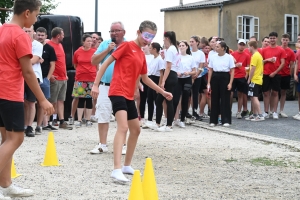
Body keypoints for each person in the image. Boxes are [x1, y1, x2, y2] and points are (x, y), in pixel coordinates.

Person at [91, 20, 172, 183]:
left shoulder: (141, 54)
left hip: (128, 95)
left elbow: (145, 78)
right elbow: (105, 63)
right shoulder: (126, 46)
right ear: (139, 32)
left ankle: (127, 166)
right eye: (146, 35)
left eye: (152, 37)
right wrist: (95, 85)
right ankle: (116, 169)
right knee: (123, 127)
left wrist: (162, 91)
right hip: (117, 91)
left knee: (136, 130)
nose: (148, 39)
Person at [0, 0, 54, 198]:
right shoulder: (20, 35)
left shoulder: (3, 29)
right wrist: (43, 100)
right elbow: (28, 72)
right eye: (36, 14)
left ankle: (6, 185)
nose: (36, 19)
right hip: (9, 93)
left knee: (6, 139)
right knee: (16, 138)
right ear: (27, 13)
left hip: (1, 92)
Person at [90, 21, 127, 155]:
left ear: (123, 32)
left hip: (122, 86)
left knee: (122, 116)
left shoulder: (128, 45)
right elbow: (94, 61)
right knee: (103, 114)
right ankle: (102, 144)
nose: (114, 33)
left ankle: (123, 144)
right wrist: (107, 50)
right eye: (111, 31)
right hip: (105, 86)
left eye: (117, 30)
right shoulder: (105, 44)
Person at [150, 31, 179, 132]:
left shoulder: (171, 49)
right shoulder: (173, 49)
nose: (163, 40)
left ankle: (169, 125)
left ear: (167, 38)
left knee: (168, 100)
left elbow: (168, 66)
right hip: (172, 75)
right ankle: (158, 123)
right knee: (159, 100)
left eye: (164, 38)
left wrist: (163, 81)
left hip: (170, 75)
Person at [47, 27, 73, 129]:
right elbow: (46, 62)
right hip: (55, 78)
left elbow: (62, 61)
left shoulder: (60, 45)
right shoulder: (49, 45)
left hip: (63, 77)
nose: (63, 36)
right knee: (52, 100)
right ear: (58, 36)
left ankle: (61, 121)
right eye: (62, 34)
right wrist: (50, 75)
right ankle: (49, 121)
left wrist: (65, 73)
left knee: (61, 100)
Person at [207, 41, 235, 127]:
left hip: (225, 76)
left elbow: (232, 70)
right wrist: (208, 82)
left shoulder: (229, 57)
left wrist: (230, 83)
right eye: (216, 46)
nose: (216, 48)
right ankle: (213, 120)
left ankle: (225, 120)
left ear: (223, 48)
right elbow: (210, 69)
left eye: (218, 46)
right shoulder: (213, 57)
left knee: (225, 99)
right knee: (214, 98)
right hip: (215, 76)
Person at [72, 34, 97, 127]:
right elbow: (75, 64)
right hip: (80, 78)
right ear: (83, 42)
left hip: (91, 78)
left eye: (91, 41)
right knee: (81, 99)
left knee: (89, 99)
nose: (90, 43)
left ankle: (88, 119)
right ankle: (79, 119)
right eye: (88, 41)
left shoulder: (94, 52)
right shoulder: (77, 52)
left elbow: (97, 65)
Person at [35, 27, 57, 132]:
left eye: (42, 35)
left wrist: (48, 78)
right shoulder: (32, 46)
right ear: (35, 35)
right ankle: (27, 125)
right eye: (38, 35)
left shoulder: (50, 48)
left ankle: (40, 125)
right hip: (33, 78)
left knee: (42, 103)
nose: (40, 37)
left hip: (43, 78)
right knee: (28, 103)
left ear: (46, 36)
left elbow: (52, 65)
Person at [23, 25, 43, 137]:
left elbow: (34, 60)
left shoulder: (37, 45)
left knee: (31, 102)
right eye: (24, 31)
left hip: (34, 75)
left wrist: (20, 62)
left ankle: (29, 126)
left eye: (29, 31)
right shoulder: (18, 43)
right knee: (20, 101)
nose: (26, 33)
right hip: (19, 75)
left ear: (33, 32)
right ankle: (22, 125)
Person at [261, 32, 286, 119]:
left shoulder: (281, 50)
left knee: (275, 92)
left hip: (276, 74)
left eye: (273, 38)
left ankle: (275, 111)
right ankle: (266, 111)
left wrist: (275, 72)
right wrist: (267, 60)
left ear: (276, 39)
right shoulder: (264, 50)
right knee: (266, 93)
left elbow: (283, 63)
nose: (272, 40)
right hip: (266, 73)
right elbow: (261, 62)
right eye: (270, 38)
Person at [173, 40, 196, 127]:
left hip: (187, 79)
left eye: (183, 45)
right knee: (175, 99)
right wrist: (176, 72)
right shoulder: (176, 57)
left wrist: (188, 73)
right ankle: (173, 119)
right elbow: (172, 68)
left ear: (187, 47)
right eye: (180, 45)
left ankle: (182, 119)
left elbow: (194, 71)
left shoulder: (190, 58)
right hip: (178, 79)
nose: (181, 47)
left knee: (185, 99)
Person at [144, 42, 164, 128]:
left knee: (157, 102)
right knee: (149, 100)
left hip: (156, 80)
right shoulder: (153, 58)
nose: (149, 49)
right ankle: (149, 120)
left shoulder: (159, 59)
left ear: (155, 49)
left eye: (151, 48)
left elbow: (161, 74)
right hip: (151, 79)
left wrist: (159, 86)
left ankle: (158, 122)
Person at [231, 39, 250, 119]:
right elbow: (229, 65)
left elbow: (249, 66)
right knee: (230, 94)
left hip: (242, 76)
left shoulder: (247, 55)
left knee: (240, 94)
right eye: (240, 44)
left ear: (244, 46)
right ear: (237, 45)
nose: (241, 46)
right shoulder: (232, 54)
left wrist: (246, 75)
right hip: (233, 76)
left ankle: (239, 111)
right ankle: (229, 110)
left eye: (243, 45)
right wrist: (236, 65)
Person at [246, 41, 265, 121]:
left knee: (254, 97)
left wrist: (249, 79)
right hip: (258, 78)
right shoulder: (258, 55)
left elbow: (253, 68)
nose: (248, 48)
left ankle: (260, 115)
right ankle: (254, 114)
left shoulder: (255, 56)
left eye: (249, 47)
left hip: (255, 79)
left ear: (252, 47)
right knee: (252, 96)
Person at [278, 34, 295, 117]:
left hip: (285, 74)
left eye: (286, 40)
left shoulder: (291, 52)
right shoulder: (277, 49)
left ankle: (281, 110)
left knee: (283, 92)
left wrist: (290, 74)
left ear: (288, 41)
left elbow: (292, 65)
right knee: (274, 92)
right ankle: (272, 110)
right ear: (281, 40)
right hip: (277, 73)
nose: (285, 41)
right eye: (283, 40)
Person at [190, 36, 205, 120]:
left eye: (192, 41)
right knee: (187, 95)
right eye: (190, 41)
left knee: (195, 94)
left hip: (197, 76)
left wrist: (197, 74)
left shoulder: (201, 53)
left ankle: (195, 111)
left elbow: (201, 65)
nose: (191, 43)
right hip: (189, 76)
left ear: (197, 42)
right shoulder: (189, 52)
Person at [139, 44, 154, 127]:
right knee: (142, 99)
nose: (143, 47)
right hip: (142, 78)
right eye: (143, 46)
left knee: (150, 99)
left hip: (150, 78)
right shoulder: (141, 56)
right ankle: (142, 117)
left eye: (145, 46)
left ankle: (150, 118)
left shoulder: (152, 57)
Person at [293, 42, 300, 120]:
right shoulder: (298, 52)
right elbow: (296, 63)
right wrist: (295, 74)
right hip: (299, 73)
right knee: (299, 93)